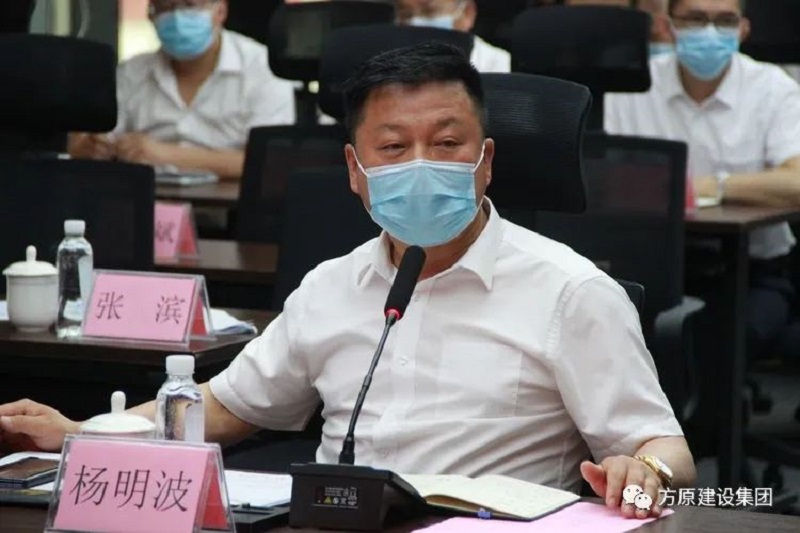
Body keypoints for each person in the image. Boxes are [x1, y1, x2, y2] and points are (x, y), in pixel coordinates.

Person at [0, 42, 695, 520]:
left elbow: (665, 450)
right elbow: (224, 405)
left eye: (447, 143)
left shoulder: (571, 291)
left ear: (485, 161)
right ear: (355, 172)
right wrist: (83, 432)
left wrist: (649, 474)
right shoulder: (331, 285)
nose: (421, 164)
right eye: (392, 147)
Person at [605, 0, 800, 361]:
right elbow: (600, 176)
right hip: (646, 265)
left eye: (725, 21)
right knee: (610, 332)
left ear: (743, 30)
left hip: (750, 272)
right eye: (695, 19)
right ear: (668, 26)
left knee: (723, 342)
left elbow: (797, 181)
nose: (710, 32)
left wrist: (716, 186)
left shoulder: (773, 88)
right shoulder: (632, 85)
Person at [68, 0, 296, 180]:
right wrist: (91, 148)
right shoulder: (131, 73)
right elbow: (85, 143)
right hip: (147, 206)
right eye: (165, 6)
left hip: (234, 212)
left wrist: (164, 155)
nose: (177, 17)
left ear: (220, 11)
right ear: (150, 16)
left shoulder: (263, 69)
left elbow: (271, 162)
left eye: (189, 4)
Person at [395, 0, 510, 72]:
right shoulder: (392, 60)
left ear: (468, 13)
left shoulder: (495, 62)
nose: (414, 22)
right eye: (406, 15)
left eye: (429, 12)